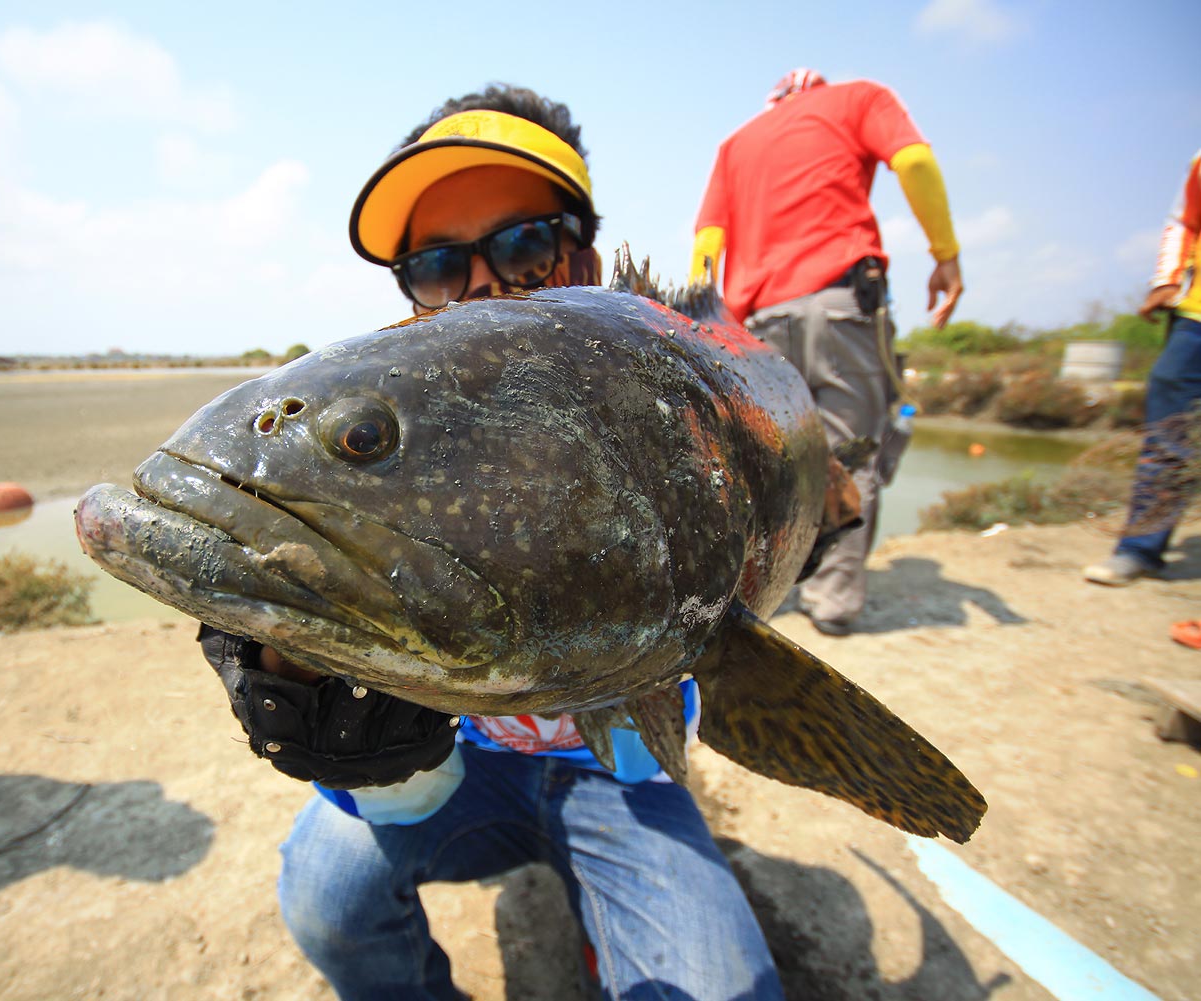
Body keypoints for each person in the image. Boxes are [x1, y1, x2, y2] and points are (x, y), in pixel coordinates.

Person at [201, 84, 784, 1001]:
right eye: (436, 264)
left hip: (625, 784)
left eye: (521, 245)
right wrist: (282, 660)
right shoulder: (418, 434)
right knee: (325, 892)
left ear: (583, 258)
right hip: (456, 768)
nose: (479, 284)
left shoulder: (668, 408)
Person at [689, 68, 964, 636]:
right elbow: (913, 160)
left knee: (769, 463)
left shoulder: (738, 142)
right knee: (848, 451)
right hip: (838, 305)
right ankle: (833, 601)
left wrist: (705, 331)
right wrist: (946, 253)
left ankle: (767, 592)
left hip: (755, 324)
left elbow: (707, 244)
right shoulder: (859, 98)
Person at [1084, 148, 1201, 586]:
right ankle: (1141, 549)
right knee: (1170, 432)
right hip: (1196, 316)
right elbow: (1184, 219)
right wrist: (1168, 279)